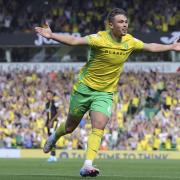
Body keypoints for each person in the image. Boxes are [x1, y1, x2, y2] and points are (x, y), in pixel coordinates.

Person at [35, 8, 180, 177]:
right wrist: (52, 36)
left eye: (126, 22)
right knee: (69, 127)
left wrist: (171, 46)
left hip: (105, 93)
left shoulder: (130, 41)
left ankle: (87, 165)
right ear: (111, 25)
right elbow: (74, 41)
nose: (125, 25)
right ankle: (54, 137)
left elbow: (150, 47)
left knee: (99, 126)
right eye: (120, 22)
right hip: (84, 89)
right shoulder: (99, 38)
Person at [44, 90, 58, 162]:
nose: (48, 96)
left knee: (53, 139)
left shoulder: (54, 103)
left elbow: (58, 113)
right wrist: (46, 123)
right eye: (47, 95)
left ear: (52, 95)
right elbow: (47, 115)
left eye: (49, 95)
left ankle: (53, 156)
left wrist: (52, 121)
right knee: (50, 139)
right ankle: (52, 155)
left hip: (54, 123)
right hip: (48, 123)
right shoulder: (47, 104)